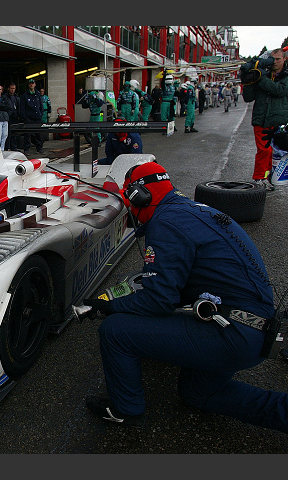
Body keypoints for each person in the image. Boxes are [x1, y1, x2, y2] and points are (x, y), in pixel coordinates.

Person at [83, 162, 287, 434]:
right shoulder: (189, 211)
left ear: (139, 196)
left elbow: (159, 300)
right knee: (196, 393)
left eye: (129, 202)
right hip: (256, 330)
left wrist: (108, 306)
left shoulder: (165, 223)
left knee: (116, 331)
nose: (130, 211)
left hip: (233, 331)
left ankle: (125, 410)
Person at [243, 47, 288, 191]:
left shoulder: (285, 76)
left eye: (277, 59)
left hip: (279, 120)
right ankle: (260, 178)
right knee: (265, 150)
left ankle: (267, 177)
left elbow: (279, 90)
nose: (274, 62)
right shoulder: (263, 73)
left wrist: (260, 78)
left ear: (284, 59)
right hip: (261, 119)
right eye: (272, 59)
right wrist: (248, 80)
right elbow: (248, 98)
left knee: (275, 152)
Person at [19, 78, 44, 154]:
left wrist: (40, 114)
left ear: (35, 84)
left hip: (37, 118)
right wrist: (24, 117)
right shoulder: (25, 96)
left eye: (33, 83)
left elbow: (41, 106)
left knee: (38, 134)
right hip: (28, 119)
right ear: (28, 85)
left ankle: (39, 148)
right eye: (30, 83)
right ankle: (26, 149)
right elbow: (22, 108)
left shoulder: (38, 94)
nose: (31, 84)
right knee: (27, 134)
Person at [4, 82, 22, 151]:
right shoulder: (5, 97)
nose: (12, 90)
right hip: (8, 117)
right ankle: (7, 147)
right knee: (7, 133)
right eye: (11, 88)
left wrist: (19, 115)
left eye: (14, 88)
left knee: (14, 133)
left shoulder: (17, 97)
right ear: (8, 89)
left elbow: (19, 107)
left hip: (15, 117)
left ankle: (14, 147)